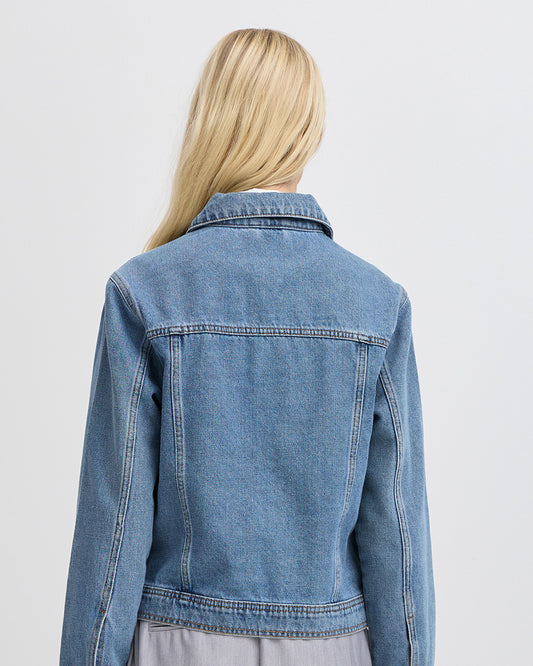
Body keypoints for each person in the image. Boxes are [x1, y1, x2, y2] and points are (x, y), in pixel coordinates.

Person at [59, 27, 435, 666]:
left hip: (178, 646)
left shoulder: (145, 293)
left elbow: (112, 536)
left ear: (210, 121)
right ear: (309, 132)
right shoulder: (376, 305)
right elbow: (398, 544)